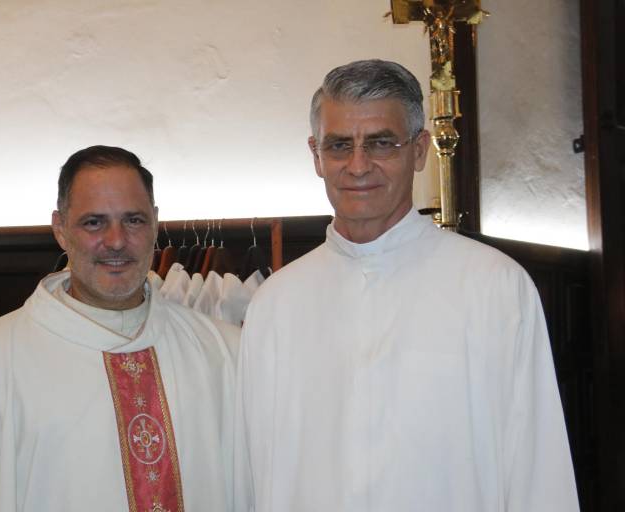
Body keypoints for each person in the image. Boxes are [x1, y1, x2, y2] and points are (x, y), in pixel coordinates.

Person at [234, 60, 579, 511]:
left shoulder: (495, 288)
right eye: (339, 145)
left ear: (419, 150)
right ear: (316, 156)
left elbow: (538, 469)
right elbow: (250, 474)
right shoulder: (276, 304)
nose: (358, 166)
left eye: (381, 143)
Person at [0, 146, 240, 511]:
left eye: (134, 220)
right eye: (94, 222)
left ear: (155, 223)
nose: (116, 240)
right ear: (60, 229)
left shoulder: (220, 353)